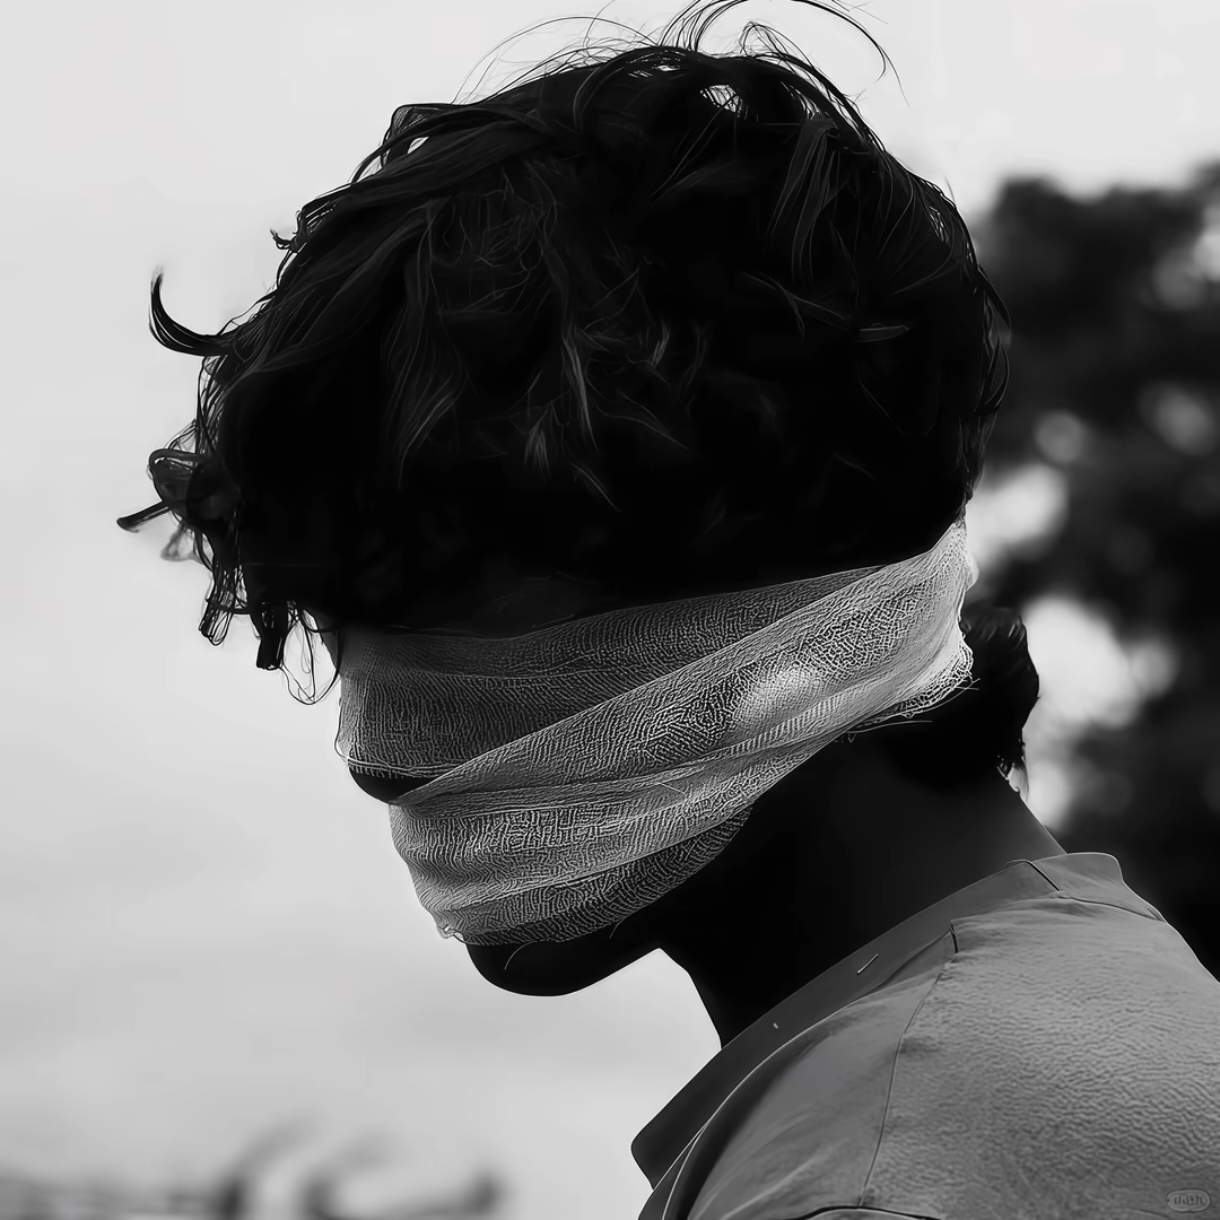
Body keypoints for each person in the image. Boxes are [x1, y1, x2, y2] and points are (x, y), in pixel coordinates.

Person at [119, 2, 1220, 1215]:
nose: (376, 751)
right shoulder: (1089, 1021)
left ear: (769, 595)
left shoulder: (884, 1173)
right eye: (335, 626)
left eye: (427, 592)